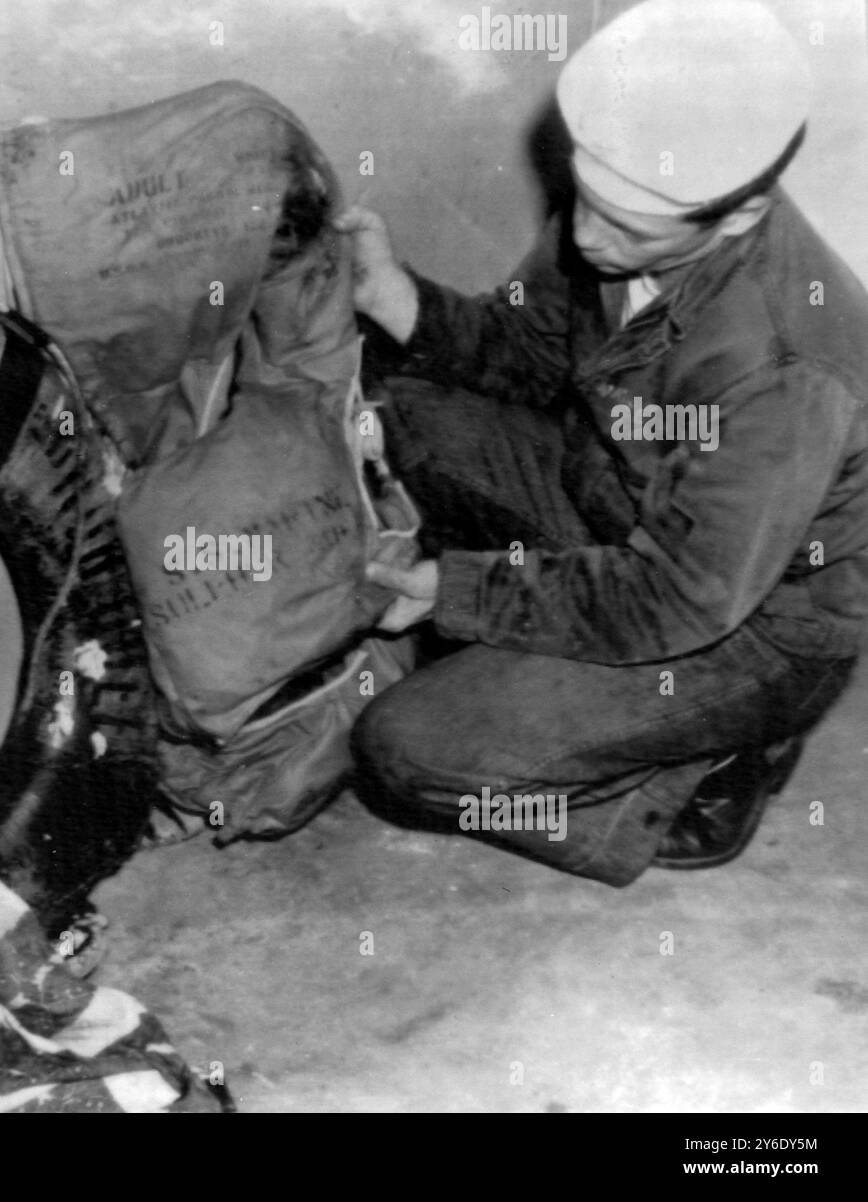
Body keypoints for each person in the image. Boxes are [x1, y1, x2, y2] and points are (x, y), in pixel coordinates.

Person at [339, 0, 868, 884]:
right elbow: (528, 353)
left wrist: (459, 591)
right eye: (587, 198)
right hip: (626, 500)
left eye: (627, 227)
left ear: (739, 216)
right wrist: (395, 296)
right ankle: (546, 681)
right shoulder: (630, 203)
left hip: (755, 627)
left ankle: (696, 775)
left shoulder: (784, 373)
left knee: (405, 751)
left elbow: (675, 597)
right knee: (407, 409)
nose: (586, 238)